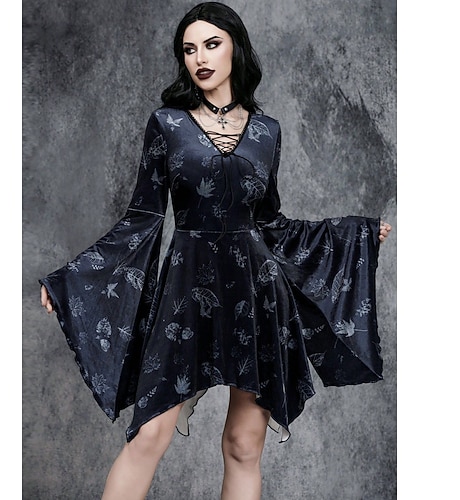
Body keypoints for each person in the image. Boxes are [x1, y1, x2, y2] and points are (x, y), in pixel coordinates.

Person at [39, 2, 392, 499]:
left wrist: (353, 233)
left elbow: (271, 223)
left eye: (211, 44)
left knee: (244, 446)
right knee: (149, 435)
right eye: (189, 49)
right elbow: (142, 217)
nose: (200, 58)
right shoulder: (166, 124)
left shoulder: (267, 131)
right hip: (185, 292)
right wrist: (72, 277)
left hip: (257, 293)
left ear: (235, 48)